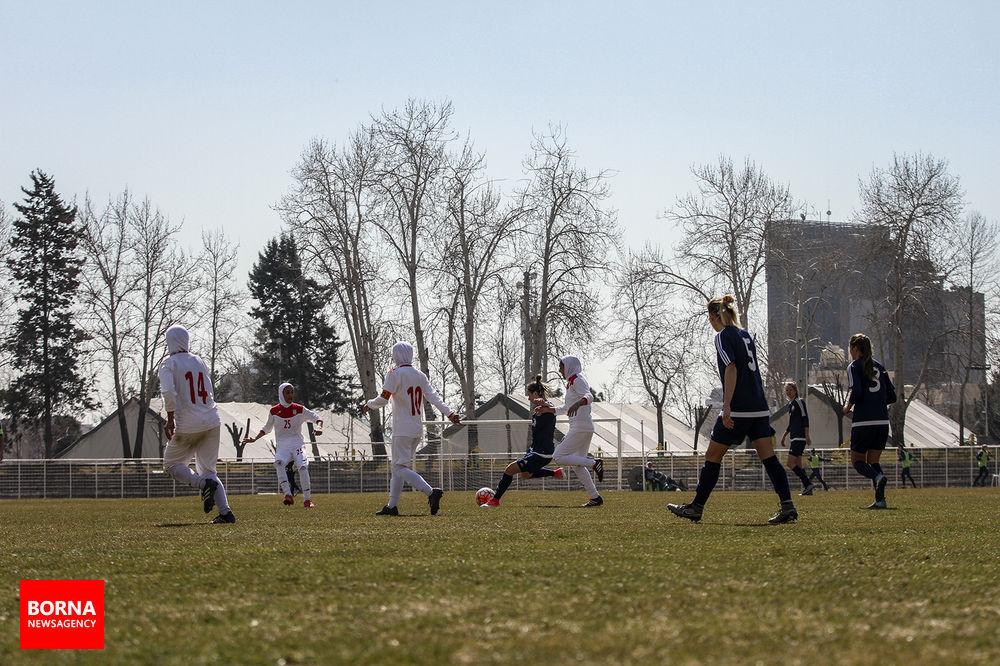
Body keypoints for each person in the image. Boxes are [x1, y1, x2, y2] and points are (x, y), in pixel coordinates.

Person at [669, 295, 797, 524]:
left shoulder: (723, 336)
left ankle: (696, 507)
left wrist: (726, 406)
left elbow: (731, 368)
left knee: (712, 456)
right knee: (769, 458)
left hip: (739, 408)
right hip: (759, 406)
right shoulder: (745, 334)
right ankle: (788, 506)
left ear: (712, 317)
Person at [363, 342, 460, 516]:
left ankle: (431, 492)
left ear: (397, 356)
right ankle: (392, 506)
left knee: (399, 467)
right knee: (398, 468)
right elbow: (433, 397)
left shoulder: (394, 374)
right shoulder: (420, 375)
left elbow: (384, 399)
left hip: (402, 429)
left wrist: (369, 404)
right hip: (416, 428)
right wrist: (449, 413)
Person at [159, 325, 235, 524]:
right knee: (209, 469)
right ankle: (226, 513)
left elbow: (168, 392)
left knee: (172, 465)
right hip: (212, 419)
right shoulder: (199, 361)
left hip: (188, 423)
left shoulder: (169, 363)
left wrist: (169, 419)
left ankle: (204, 484)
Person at [481, 374, 564, 507]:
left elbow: (549, 406)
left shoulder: (548, 408)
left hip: (541, 453)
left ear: (536, 393)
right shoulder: (537, 411)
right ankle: (555, 472)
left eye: (529, 395)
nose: (528, 398)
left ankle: (495, 500)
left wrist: (544, 403)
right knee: (525, 474)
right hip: (536, 450)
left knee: (509, 469)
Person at [533, 356, 605, 507]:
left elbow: (589, 396)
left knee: (558, 456)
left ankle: (594, 463)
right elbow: (565, 409)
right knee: (577, 465)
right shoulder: (571, 383)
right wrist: (546, 410)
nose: (560, 370)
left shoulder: (577, 379)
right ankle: (595, 497)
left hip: (580, 427)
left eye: (561, 366)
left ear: (569, 366)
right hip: (583, 428)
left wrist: (578, 404)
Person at [242, 383, 322, 508]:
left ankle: (307, 500)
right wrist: (254, 439)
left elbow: (317, 418)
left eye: (292, 392)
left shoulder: (299, 408)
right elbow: (266, 428)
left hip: (297, 445)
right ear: (281, 394)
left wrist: (319, 428)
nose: (290, 395)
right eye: (287, 392)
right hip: (283, 447)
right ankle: (288, 495)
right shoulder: (274, 411)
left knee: (302, 467)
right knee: (278, 463)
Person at [843, 333, 897, 509]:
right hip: (882, 421)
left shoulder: (854, 366)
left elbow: (857, 390)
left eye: (850, 348)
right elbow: (892, 396)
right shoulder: (880, 366)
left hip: (863, 421)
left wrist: (848, 406)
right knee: (873, 461)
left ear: (855, 348)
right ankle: (881, 500)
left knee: (858, 460)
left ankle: (877, 478)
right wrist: (877, 404)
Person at [779, 381, 815, 496]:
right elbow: (791, 424)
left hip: (799, 437)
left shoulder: (799, 402)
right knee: (798, 464)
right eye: (787, 390)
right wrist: (784, 436)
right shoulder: (791, 405)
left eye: (791, 390)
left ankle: (808, 483)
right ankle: (808, 488)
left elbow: (805, 418)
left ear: (795, 390)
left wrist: (807, 435)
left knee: (790, 463)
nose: (789, 392)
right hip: (794, 437)